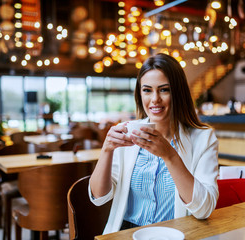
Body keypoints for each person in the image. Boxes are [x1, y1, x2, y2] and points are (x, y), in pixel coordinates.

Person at [89, 53, 219, 234]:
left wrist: (170, 155)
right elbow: (99, 197)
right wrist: (106, 150)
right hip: (128, 234)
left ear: (178, 92)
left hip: (175, 233)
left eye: (164, 89)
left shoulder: (204, 139)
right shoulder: (128, 132)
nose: (155, 99)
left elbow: (204, 209)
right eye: (147, 90)